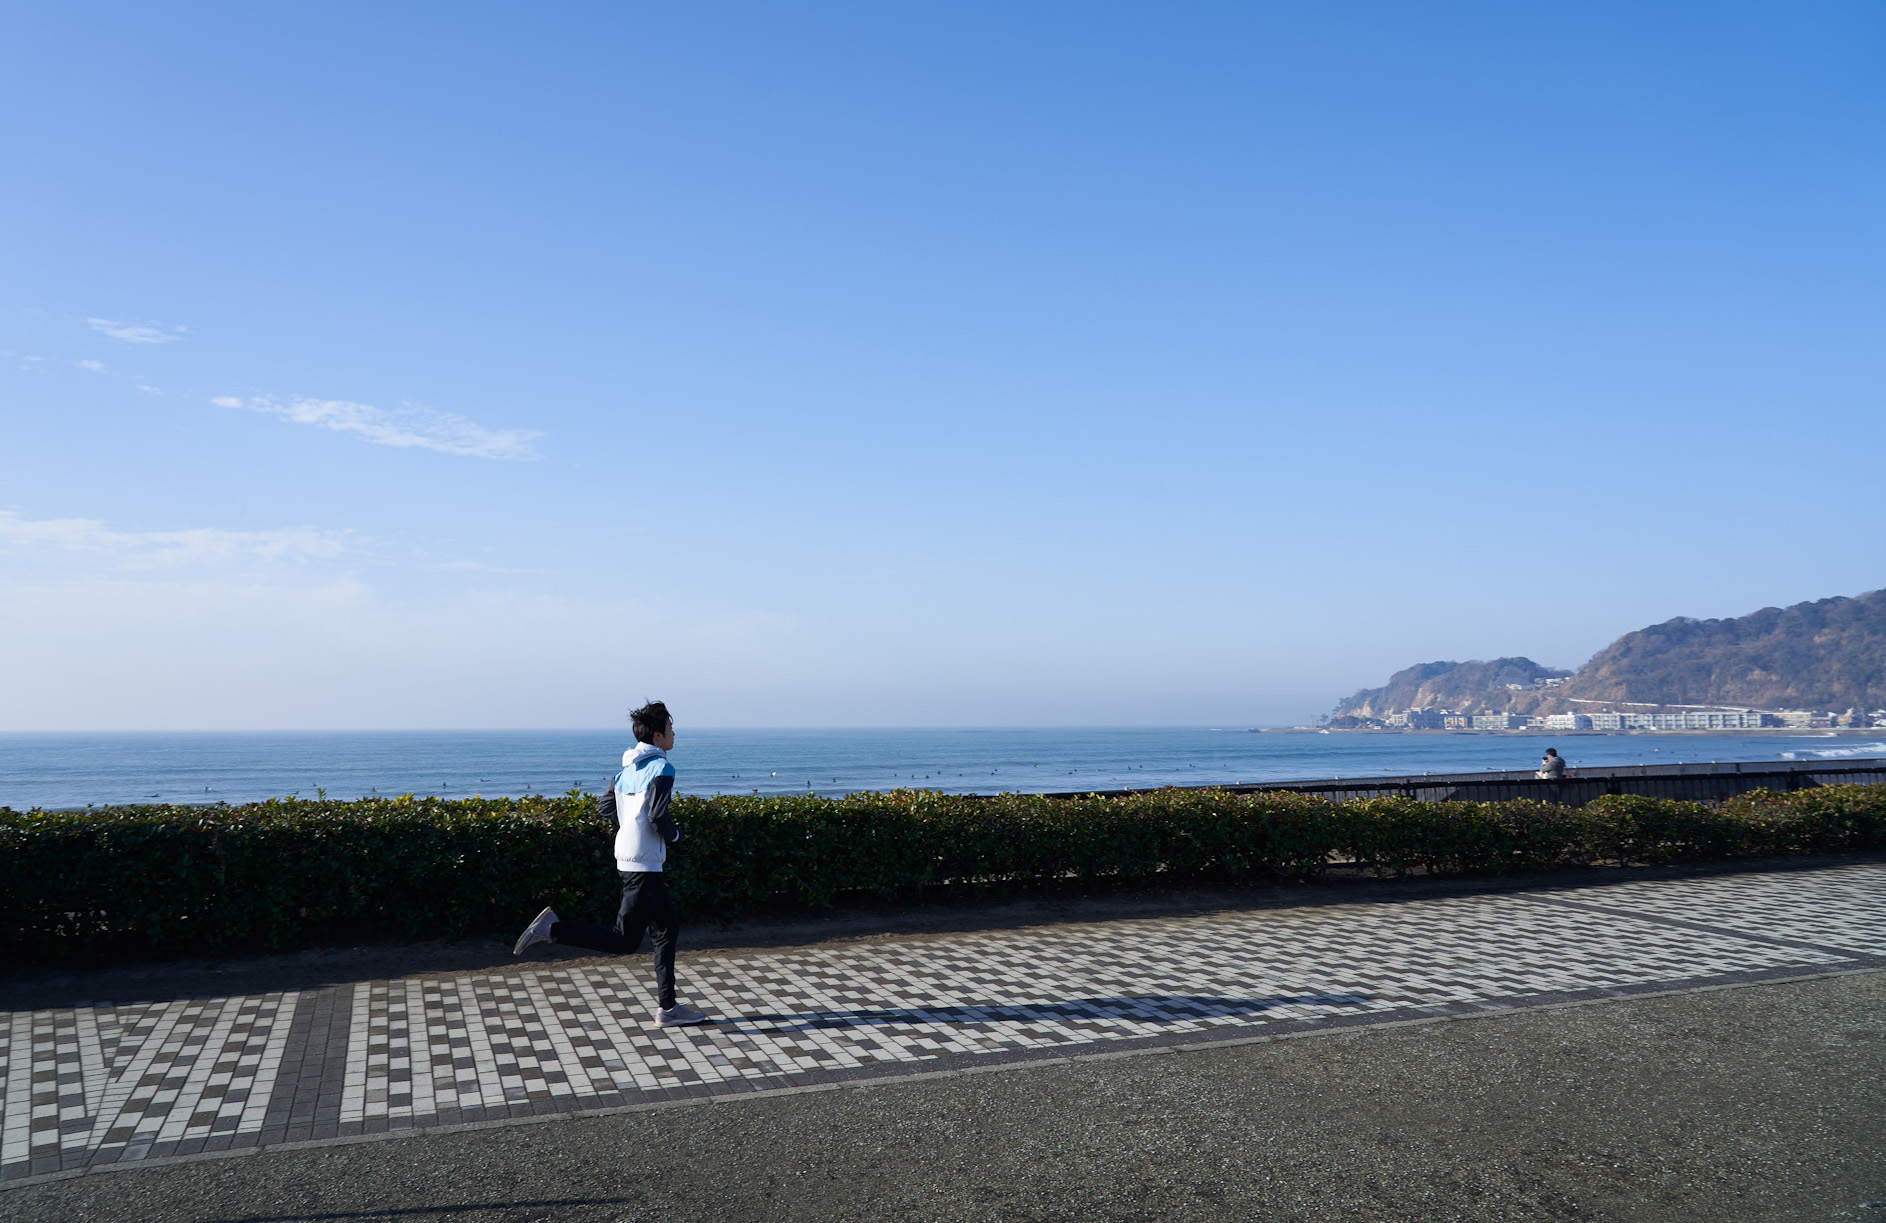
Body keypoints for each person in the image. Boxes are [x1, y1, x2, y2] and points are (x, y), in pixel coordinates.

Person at [513, 700, 710, 1027]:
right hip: (644, 861)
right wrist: (674, 836)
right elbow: (658, 816)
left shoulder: (623, 772)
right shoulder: (663, 768)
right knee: (624, 940)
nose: (674, 735)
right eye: (671, 729)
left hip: (630, 857)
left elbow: (606, 809)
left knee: (666, 930)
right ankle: (552, 929)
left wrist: (630, 821)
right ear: (659, 736)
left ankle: (668, 1008)